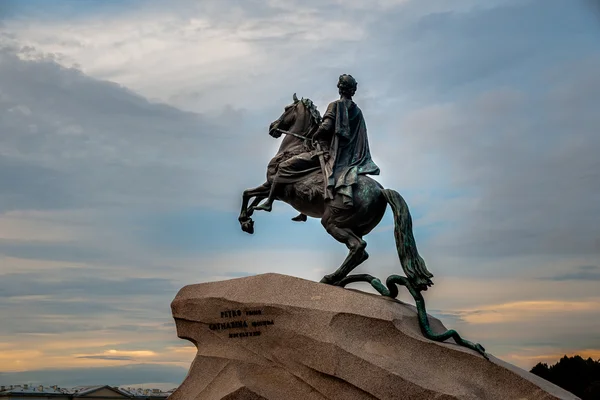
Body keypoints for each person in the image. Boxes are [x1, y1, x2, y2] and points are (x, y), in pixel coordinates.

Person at [254, 74, 379, 212]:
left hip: (330, 154)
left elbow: (326, 127)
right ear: (352, 91)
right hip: (349, 157)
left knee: (284, 167)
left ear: (340, 88)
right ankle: (303, 211)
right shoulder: (358, 112)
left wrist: (314, 135)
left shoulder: (336, 105)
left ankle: (269, 202)